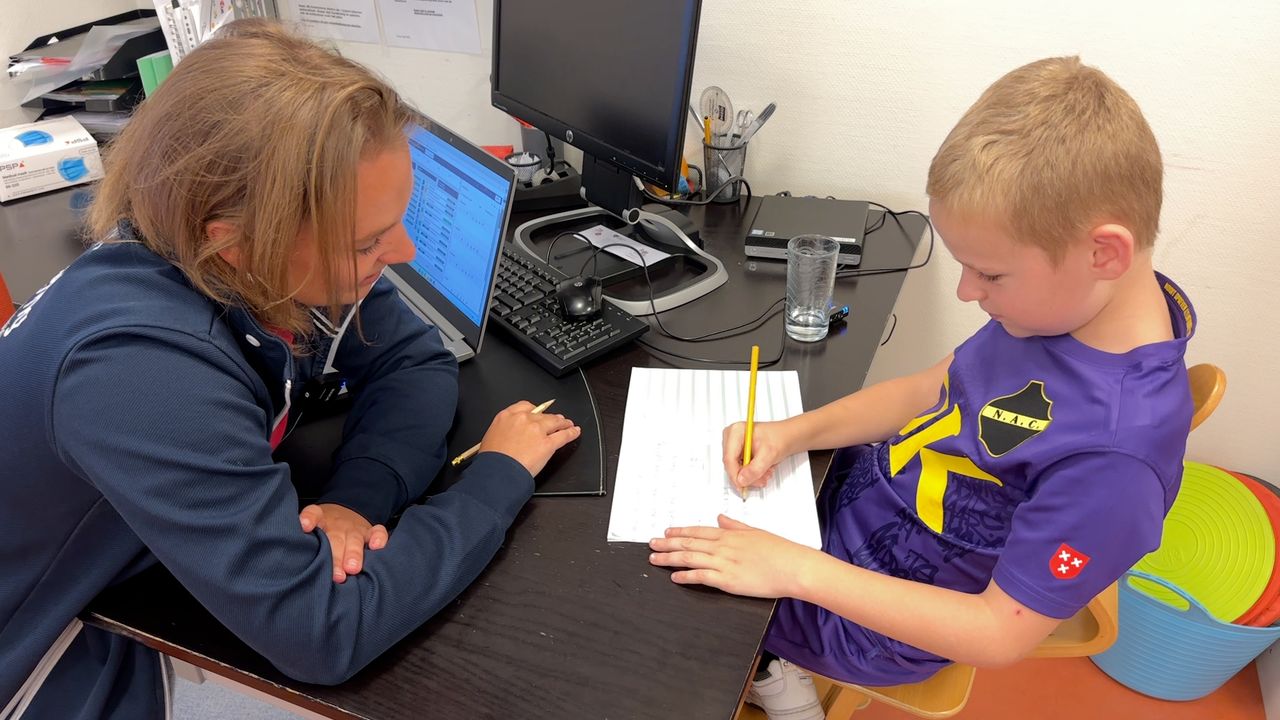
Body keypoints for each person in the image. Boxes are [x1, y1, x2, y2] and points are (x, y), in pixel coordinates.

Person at [0, 19, 580, 720]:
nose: (400, 252)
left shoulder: (232, 259)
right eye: (368, 240)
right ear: (235, 245)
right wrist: (497, 477)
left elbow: (412, 355)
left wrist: (355, 504)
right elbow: (324, 634)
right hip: (38, 659)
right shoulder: (137, 374)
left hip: (127, 580)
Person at [649, 56, 1195, 719]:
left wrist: (793, 570)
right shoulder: (1067, 308)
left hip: (877, 623)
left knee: (660, 602)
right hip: (849, 513)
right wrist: (792, 433)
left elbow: (997, 633)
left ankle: (774, 669)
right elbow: (930, 389)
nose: (968, 293)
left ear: (1103, 252)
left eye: (989, 275)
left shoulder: (1116, 458)